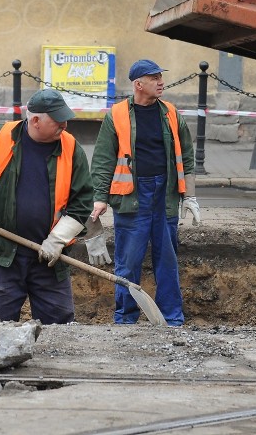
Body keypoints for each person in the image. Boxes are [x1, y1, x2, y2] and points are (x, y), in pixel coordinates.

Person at [0, 89, 96, 325]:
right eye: (58, 120)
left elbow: (82, 203)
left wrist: (56, 241)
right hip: (0, 253)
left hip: (48, 258)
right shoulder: (0, 137)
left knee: (59, 325)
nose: (65, 125)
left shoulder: (71, 149)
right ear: (35, 120)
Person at [89, 59, 201, 327]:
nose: (161, 82)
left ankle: (171, 319)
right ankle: (125, 318)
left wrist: (191, 195)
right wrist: (100, 197)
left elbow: (186, 155)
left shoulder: (170, 113)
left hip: (165, 194)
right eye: (154, 78)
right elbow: (103, 159)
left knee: (167, 260)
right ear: (139, 84)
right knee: (129, 261)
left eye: (161, 77)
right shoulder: (116, 115)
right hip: (132, 196)